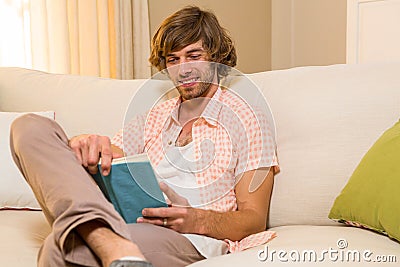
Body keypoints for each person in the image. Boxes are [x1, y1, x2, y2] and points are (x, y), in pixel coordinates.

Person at [10, 6, 278, 267]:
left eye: (193, 55)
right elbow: (110, 157)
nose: (183, 69)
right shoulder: (153, 118)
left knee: (58, 248)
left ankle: (99, 236)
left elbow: (253, 218)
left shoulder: (247, 119)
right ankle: (106, 237)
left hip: (186, 237)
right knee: (28, 126)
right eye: (173, 60)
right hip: (119, 218)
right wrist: (81, 145)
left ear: (216, 58)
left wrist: (194, 219)